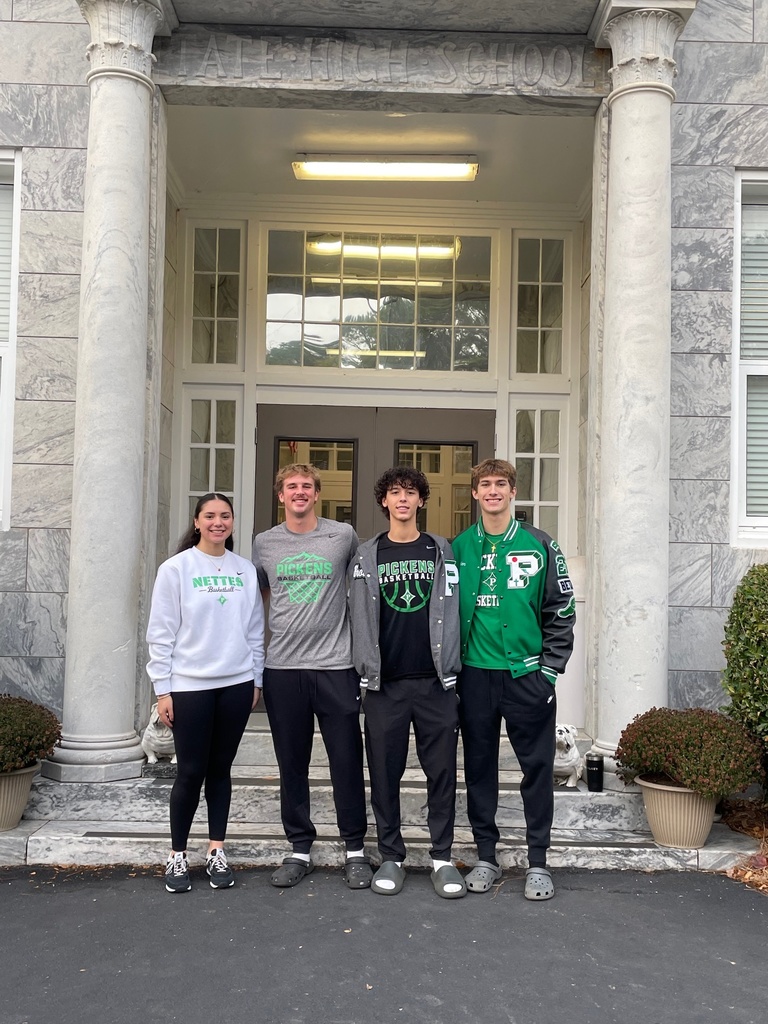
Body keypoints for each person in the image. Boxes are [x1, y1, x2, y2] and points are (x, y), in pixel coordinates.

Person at [452, 459, 575, 900]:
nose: (492, 491)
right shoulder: (458, 548)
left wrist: (548, 671)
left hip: (527, 676)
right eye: (484, 484)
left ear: (512, 492)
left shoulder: (540, 544)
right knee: (479, 768)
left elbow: (561, 609)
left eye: (500, 484)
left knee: (537, 769)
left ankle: (538, 860)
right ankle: (486, 855)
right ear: (474, 494)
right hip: (475, 678)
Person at [251, 464, 371, 890]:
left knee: (346, 761)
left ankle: (355, 848)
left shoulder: (342, 536)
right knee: (292, 764)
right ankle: (299, 847)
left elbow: (360, 589)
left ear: (317, 494)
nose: (299, 492)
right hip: (283, 669)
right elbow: (263, 598)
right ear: (280, 495)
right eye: (291, 487)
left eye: (306, 486)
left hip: (335, 667)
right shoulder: (264, 544)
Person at [348, 466, 465, 899]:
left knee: (442, 773)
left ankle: (441, 857)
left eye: (410, 493)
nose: (402, 499)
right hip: (384, 685)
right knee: (384, 773)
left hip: (436, 683)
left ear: (420, 501)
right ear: (384, 501)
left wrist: (456, 664)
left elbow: (456, 610)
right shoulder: (365, 555)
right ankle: (391, 856)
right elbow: (353, 616)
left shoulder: (441, 550)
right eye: (395, 492)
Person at [146, 492, 265, 894]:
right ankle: (177, 855)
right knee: (190, 772)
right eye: (210, 516)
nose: (218, 522)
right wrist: (163, 689)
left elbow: (254, 630)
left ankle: (216, 850)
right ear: (196, 522)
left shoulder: (244, 570)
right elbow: (160, 634)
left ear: (233, 522)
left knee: (220, 771)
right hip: (190, 687)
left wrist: (256, 678)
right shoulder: (176, 569)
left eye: (225, 516)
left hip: (236, 684)